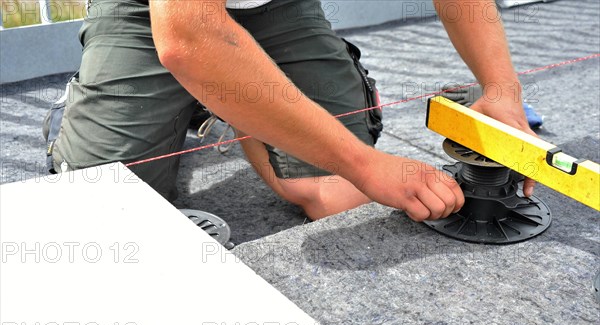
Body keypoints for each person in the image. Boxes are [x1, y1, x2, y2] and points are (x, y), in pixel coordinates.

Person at [45, 0, 536, 221]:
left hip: (277, 5)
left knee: (333, 193)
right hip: (155, 11)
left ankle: (227, 98)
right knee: (104, 209)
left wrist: (501, 89)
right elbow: (188, 33)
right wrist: (367, 164)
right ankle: (94, 100)